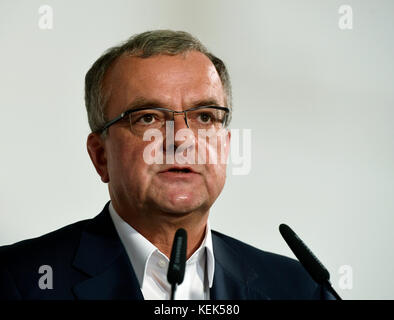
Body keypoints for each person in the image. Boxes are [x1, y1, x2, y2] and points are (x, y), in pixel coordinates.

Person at [0, 30, 334, 300]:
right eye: (147, 118)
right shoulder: (18, 280)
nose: (182, 139)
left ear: (226, 146)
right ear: (101, 155)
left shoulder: (297, 288)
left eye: (204, 116)